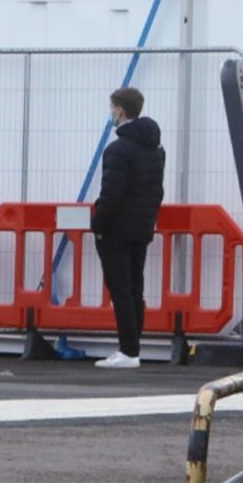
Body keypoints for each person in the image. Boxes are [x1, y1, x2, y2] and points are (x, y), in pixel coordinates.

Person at [91, 85, 165, 370]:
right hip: (142, 227)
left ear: (120, 110)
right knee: (135, 288)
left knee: (119, 288)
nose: (110, 113)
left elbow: (111, 194)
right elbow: (156, 192)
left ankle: (127, 351)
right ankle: (133, 347)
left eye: (112, 108)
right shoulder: (156, 150)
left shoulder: (117, 150)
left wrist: (98, 225)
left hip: (117, 230)